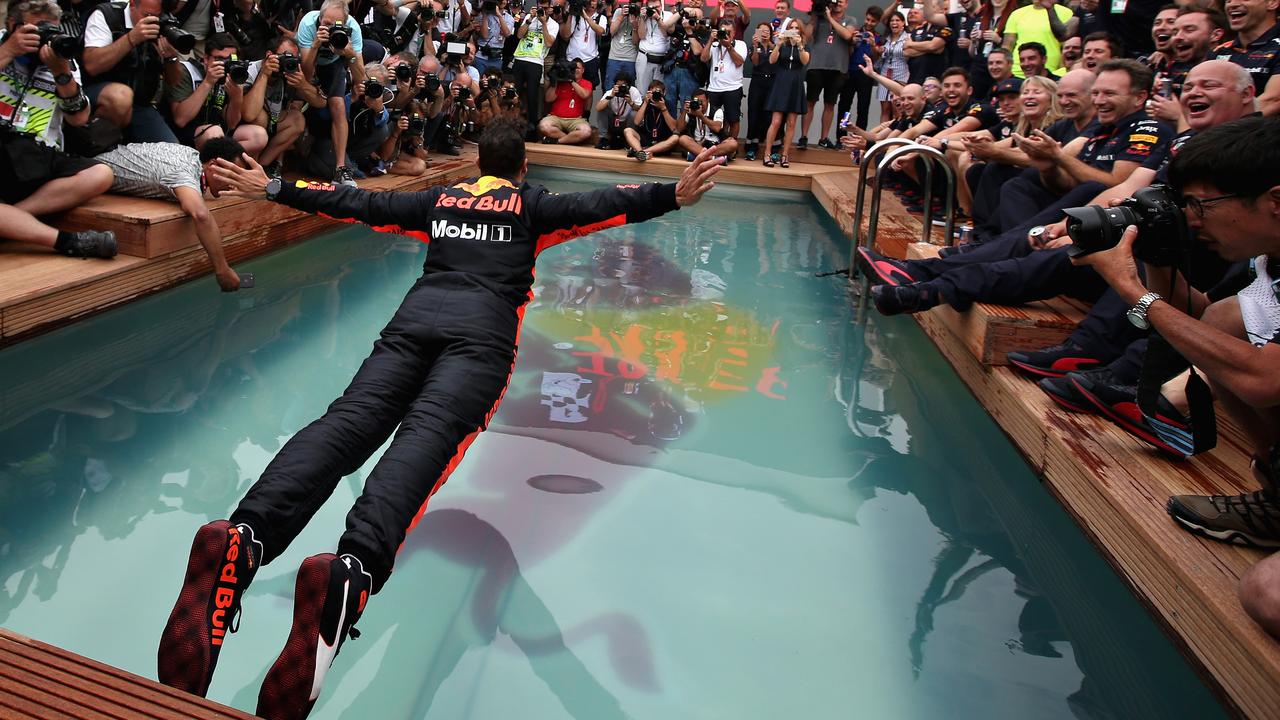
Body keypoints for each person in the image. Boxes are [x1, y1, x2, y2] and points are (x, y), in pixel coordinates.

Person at [157, 116, 723, 720]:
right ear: (522, 167)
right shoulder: (533, 207)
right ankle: (349, 572)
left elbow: (356, 201)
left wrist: (274, 189)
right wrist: (673, 194)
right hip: (480, 341)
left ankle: (243, 537)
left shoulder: (437, 201)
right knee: (424, 443)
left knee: (344, 425)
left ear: (480, 164)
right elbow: (606, 202)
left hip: (412, 323)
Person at [1068, 115, 1280, 638]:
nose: (1194, 220)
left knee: (1267, 595)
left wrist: (1131, 294)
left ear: (1274, 201)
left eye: (1202, 206)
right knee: (1225, 320)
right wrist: (1158, 259)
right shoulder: (1270, 256)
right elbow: (1204, 324)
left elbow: (1263, 381)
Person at [0, 0, 118, 260]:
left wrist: (61, 73)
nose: (45, 38)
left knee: (101, 175)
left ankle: (13, 217)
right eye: (37, 29)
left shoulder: (63, 57)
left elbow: (79, 119)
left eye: (50, 30)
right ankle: (65, 241)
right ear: (12, 25)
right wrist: (8, 51)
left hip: (39, 155)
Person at [91, 137, 254, 290]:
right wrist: (222, 270)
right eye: (233, 175)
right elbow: (201, 215)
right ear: (212, 165)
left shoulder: (192, 156)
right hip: (92, 173)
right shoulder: (183, 173)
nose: (235, 184)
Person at [80, 0, 181, 143]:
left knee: (173, 153)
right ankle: (97, 148)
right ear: (132, 4)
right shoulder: (107, 15)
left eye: (157, 16)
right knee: (120, 96)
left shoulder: (163, 24)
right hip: (98, 96)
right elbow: (92, 65)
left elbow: (174, 82)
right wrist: (131, 38)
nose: (151, 21)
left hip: (139, 105)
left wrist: (171, 57)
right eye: (147, 15)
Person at [295, 0, 366, 186]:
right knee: (297, 101)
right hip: (310, 61)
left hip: (334, 64)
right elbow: (307, 74)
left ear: (346, 22)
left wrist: (349, 53)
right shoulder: (308, 24)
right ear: (319, 18)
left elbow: (361, 78)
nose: (331, 29)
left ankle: (340, 168)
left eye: (337, 25)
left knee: (338, 106)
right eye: (326, 24)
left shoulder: (353, 29)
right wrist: (315, 45)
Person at [166, 33, 270, 157]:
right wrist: (208, 82)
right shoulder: (187, 71)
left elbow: (231, 124)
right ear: (205, 59)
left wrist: (236, 98)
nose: (225, 64)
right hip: (187, 134)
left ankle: (226, 166)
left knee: (259, 136)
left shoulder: (231, 76)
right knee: (214, 133)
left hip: (217, 133)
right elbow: (180, 119)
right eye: (220, 59)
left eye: (230, 60)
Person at [798, 0, 855, 149]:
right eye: (835, 2)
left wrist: (830, 18)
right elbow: (807, 36)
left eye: (840, 2)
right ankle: (803, 136)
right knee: (810, 102)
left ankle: (823, 138)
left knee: (830, 104)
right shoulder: (819, 18)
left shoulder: (849, 20)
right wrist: (816, 15)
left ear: (846, 4)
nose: (837, 4)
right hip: (816, 65)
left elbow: (848, 35)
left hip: (837, 68)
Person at [1209, 0, 1280, 115]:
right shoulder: (1218, 52)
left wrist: (1223, 128)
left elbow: (1273, 100)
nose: (1232, 4)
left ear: (1272, 3)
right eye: (1228, 1)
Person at [762, 23, 807, 168]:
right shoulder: (783, 44)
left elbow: (805, 61)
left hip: (795, 85)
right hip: (781, 84)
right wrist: (778, 44)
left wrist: (799, 45)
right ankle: (767, 153)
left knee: (792, 123)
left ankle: (785, 155)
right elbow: (772, 60)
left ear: (800, 30)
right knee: (776, 121)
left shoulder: (804, 45)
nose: (794, 30)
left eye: (796, 28)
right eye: (791, 27)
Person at [702, 18, 747, 146]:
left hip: (733, 88)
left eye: (729, 31)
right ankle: (712, 144)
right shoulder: (715, 45)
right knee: (711, 118)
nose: (726, 34)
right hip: (714, 88)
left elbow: (739, 62)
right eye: (723, 31)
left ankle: (729, 148)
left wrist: (729, 46)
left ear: (734, 33)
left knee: (733, 119)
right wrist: (711, 40)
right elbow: (703, 58)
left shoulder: (740, 44)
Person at [1002, 0, 1075, 78]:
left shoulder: (1065, 12)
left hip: (1049, 72)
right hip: (1017, 72)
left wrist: (1062, 70)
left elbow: (1067, 46)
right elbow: (1007, 46)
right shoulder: (1017, 14)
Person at [538, 57, 593, 144]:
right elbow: (548, 99)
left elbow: (585, 95)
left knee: (586, 131)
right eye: (573, 69)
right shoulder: (561, 81)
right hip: (556, 117)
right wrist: (555, 82)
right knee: (544, 126)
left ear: (583, 70)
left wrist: (571, 81)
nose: (575, 70)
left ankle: (558, 141)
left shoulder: (586, 83)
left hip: (576, 119)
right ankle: (571, 139)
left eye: (578, 68)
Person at [624, 78, 681, 160]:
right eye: (653, 93)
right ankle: (641, 152)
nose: (656, 95)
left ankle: (642, 153)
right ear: (648, 93)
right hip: (646, 139)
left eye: (658, 93)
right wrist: (646, 102)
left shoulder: (668, 104)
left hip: (662, 142)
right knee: (628, 131)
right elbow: (636, 122)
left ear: (664, 93)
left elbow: (674, 128)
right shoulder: (647, 103)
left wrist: (663, 108)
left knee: (675, 138)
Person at [675, 87, 737, 159]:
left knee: (733, 143)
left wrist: (700, 116)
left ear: (708, 100)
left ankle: (699, 156)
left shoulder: (717, 110)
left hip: (715, 145)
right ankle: (712, 158)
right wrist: (684, 111)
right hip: (697, 144)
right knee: (683, 139)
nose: (700, 104)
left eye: (702, 101)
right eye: (697, 102)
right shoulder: (691, 110)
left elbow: (717, 128)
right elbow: (679, 129)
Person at [594, 70, 643, 149]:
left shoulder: (634, 91)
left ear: (629, 86)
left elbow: (640, 110)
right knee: (603, 109)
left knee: (634, 113)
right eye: (618, 85)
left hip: (627, 124)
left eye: (623, 86)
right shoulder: (611, 92)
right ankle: (604, 138)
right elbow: (598, 108)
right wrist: (611, 96)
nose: (621, 88)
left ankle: (629, 140)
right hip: (613, 122)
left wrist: (631, 103)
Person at [876, 10, 909, 121]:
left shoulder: (908, 38)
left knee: (898, 109)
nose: (894, 23)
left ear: (903, 23)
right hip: (885, 74)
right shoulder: (886, 38)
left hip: (901, 75)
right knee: (885, 109)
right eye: (892, 20)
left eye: (897, 20)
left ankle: (896, 135)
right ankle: (881, 138)